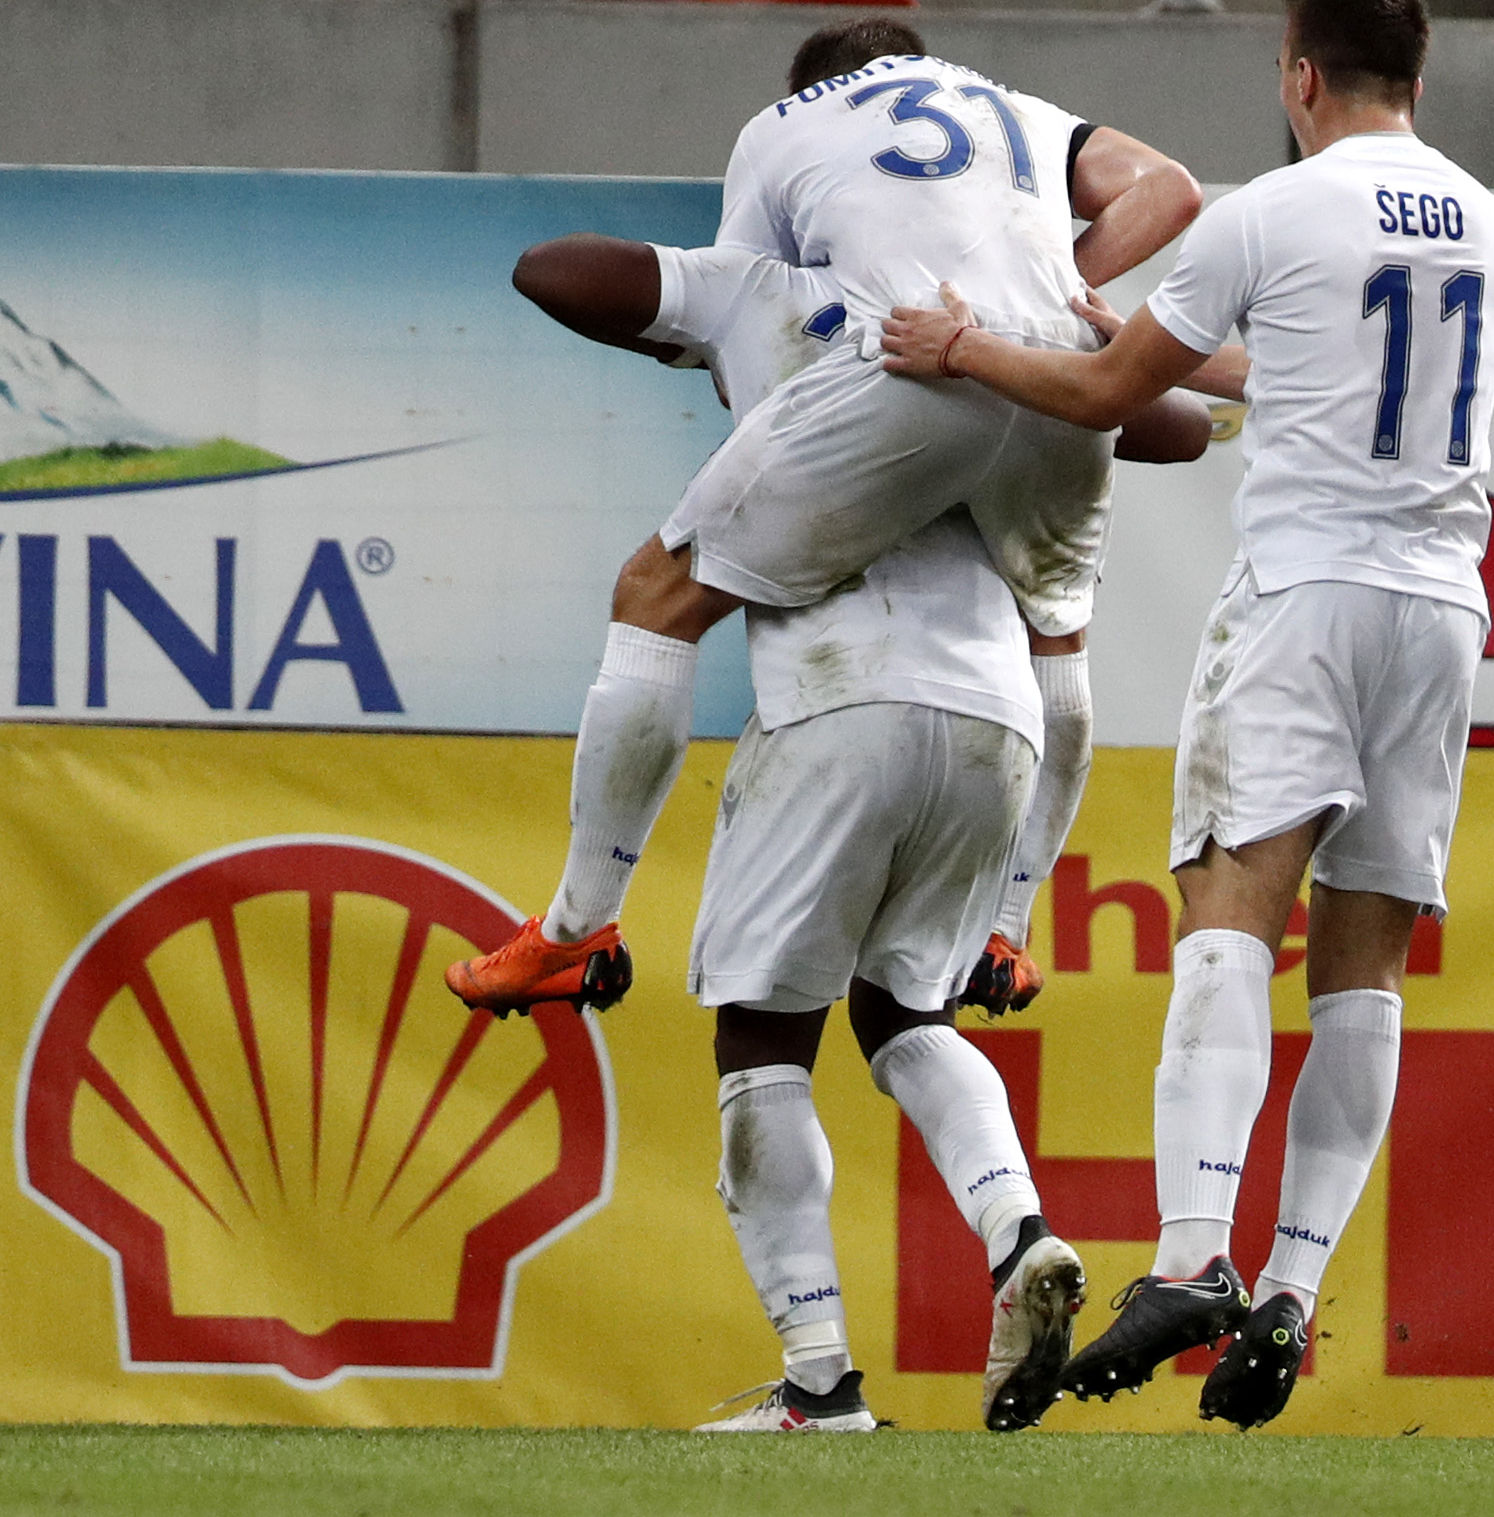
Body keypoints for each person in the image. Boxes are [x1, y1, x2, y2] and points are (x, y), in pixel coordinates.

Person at [883, 0, 1494, 1430]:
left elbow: (1115, 397)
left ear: (1301, 77)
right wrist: (1129, 334)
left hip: (1306, 593)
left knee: (1232, 906)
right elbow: (1314, 362)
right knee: (1365, 962)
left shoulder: (1268, 211)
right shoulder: (1490, 221)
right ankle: (1290, 1293)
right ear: (1412, 81)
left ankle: (1189, 1259)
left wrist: (967, 346)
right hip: (1441, 608)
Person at [488, 230, 1210, 1433]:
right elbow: (1179, 424)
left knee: (765, 1037)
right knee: (902, 1011)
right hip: (997, 713)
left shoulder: (778, 276)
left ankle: (819, 1383)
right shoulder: (997, 309)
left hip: (837, 695)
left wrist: (727, 303)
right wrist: (1067, 332)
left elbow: (550, 270)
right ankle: (1018, 1229)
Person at [445, 17, 1202, 1019]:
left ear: (814, 88)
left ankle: (579, 926)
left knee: (656, 595)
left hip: (901, 379)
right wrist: (1057, 297)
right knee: (1058, 633)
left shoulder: (784, 125)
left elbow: (741, 294)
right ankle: (1008, 933)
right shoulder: (1015, 111)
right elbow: (1172, 202)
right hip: (1057, 363)